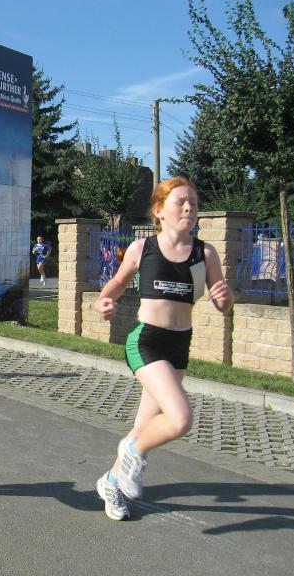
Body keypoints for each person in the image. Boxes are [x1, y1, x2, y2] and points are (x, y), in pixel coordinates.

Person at [92, 177, 233, 521]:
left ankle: (111, 482)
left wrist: (225, 298)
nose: (188, 208)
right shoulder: (143, 248)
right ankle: (133, 452)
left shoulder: (205, 254)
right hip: (146, 340)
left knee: (144, 428)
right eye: (180, 202)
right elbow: (117, 283)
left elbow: (223, 302)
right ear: (159, 210)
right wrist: (102, 302)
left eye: (193, 203)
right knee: (180, 418)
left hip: (179, 344)